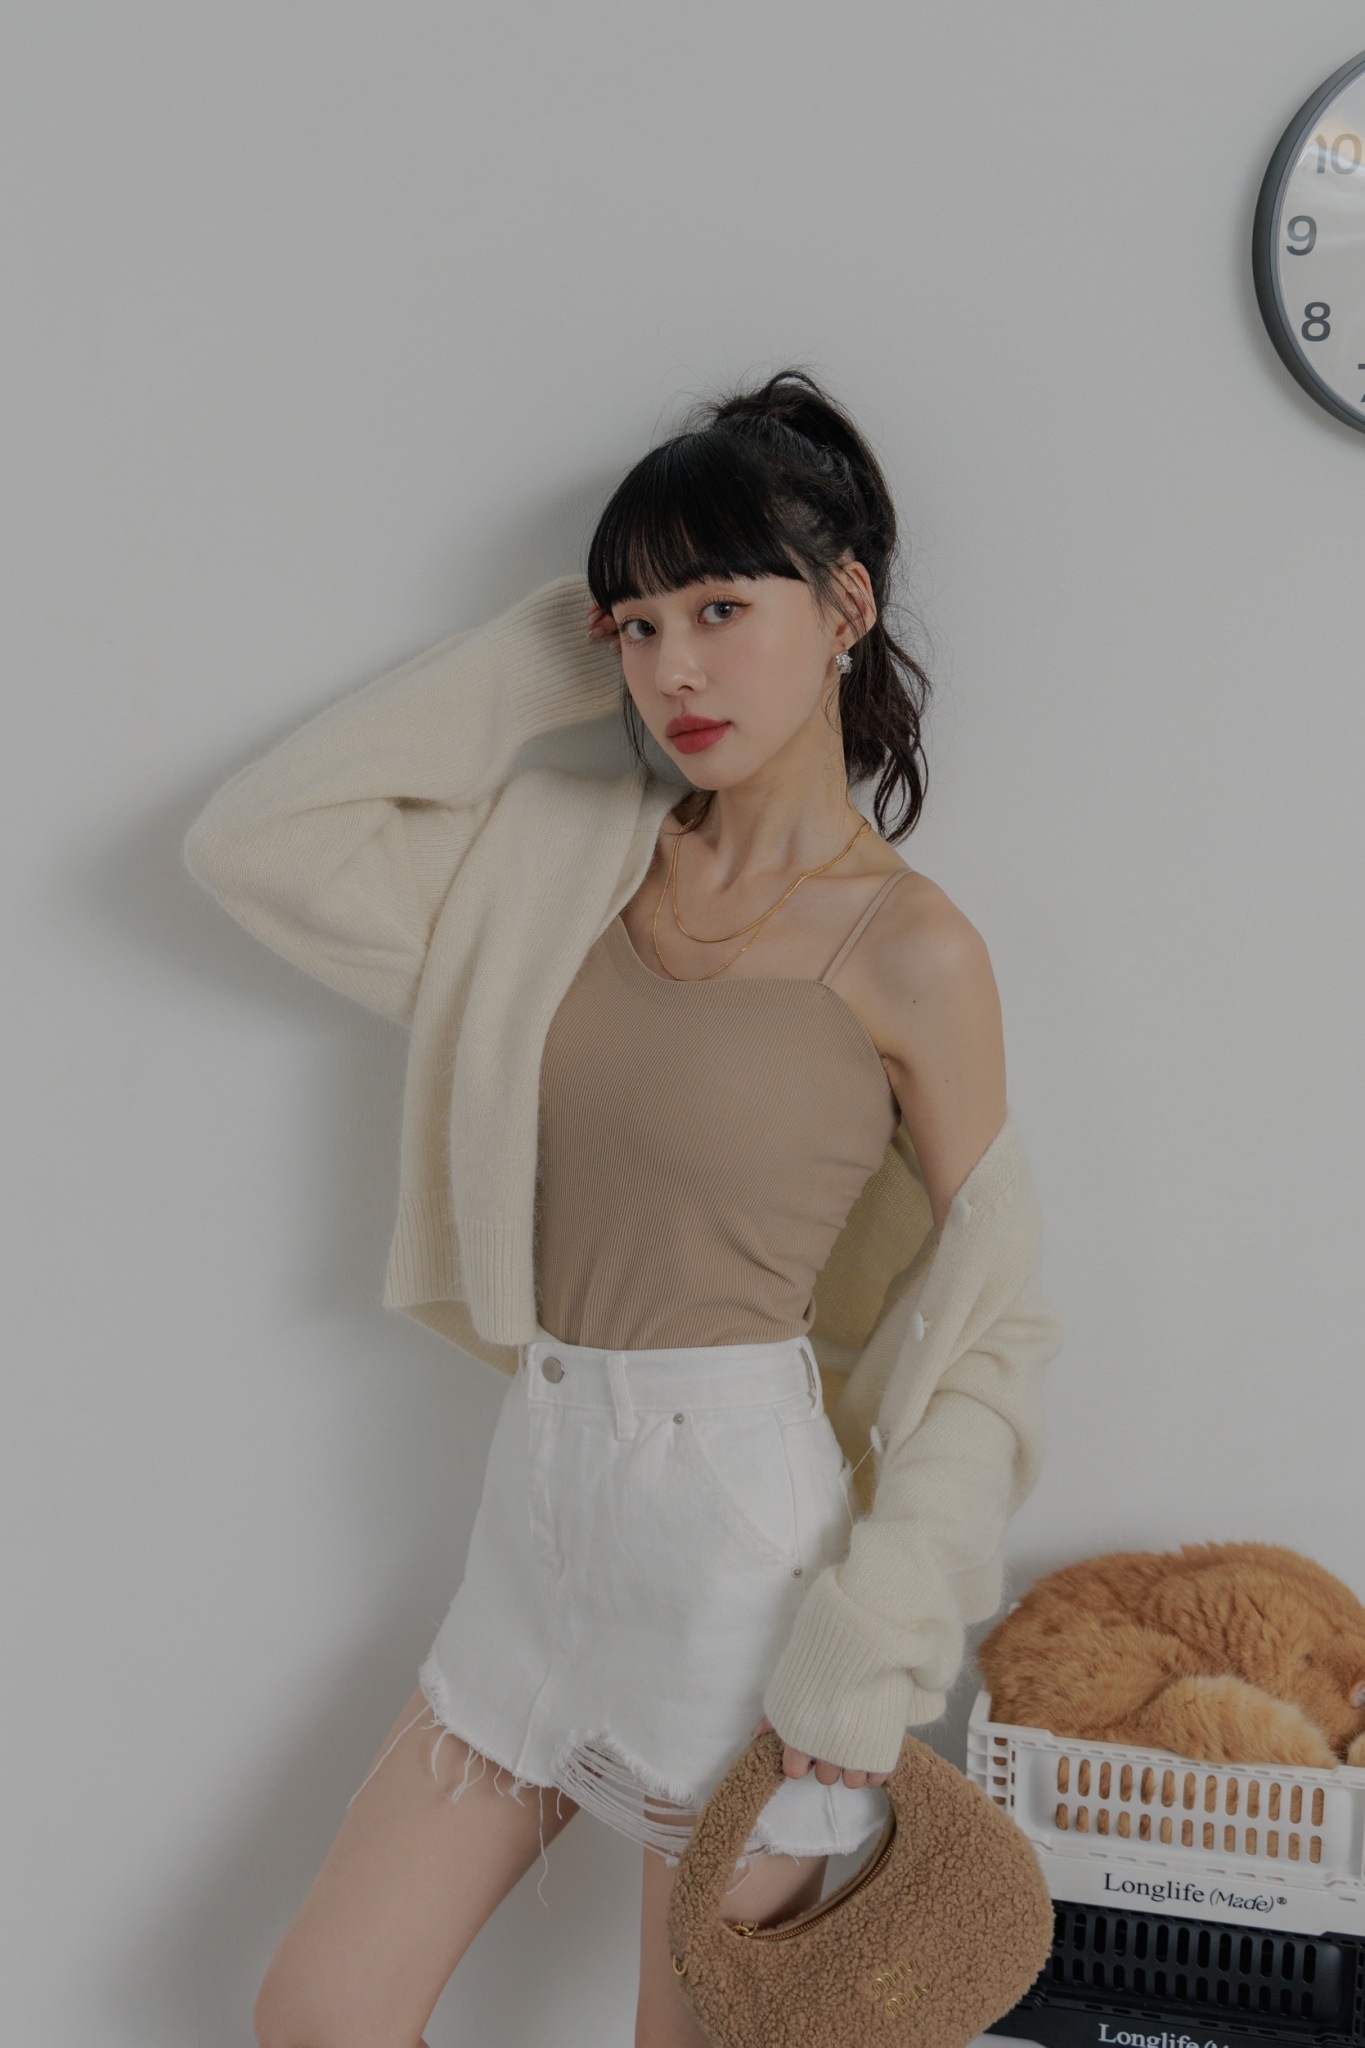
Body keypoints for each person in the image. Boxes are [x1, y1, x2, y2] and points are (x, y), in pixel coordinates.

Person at [184, 366, 1063, 2048]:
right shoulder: (567, 869)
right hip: (537, 1527)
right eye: (637, 626)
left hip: (743, 1578)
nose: (673, 670)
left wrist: (868, 1655)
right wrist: (555, 642)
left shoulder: (912, 949)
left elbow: (993, 1330)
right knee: (319, 2015)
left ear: (845, 609)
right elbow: (258, 845)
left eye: (722, 608)